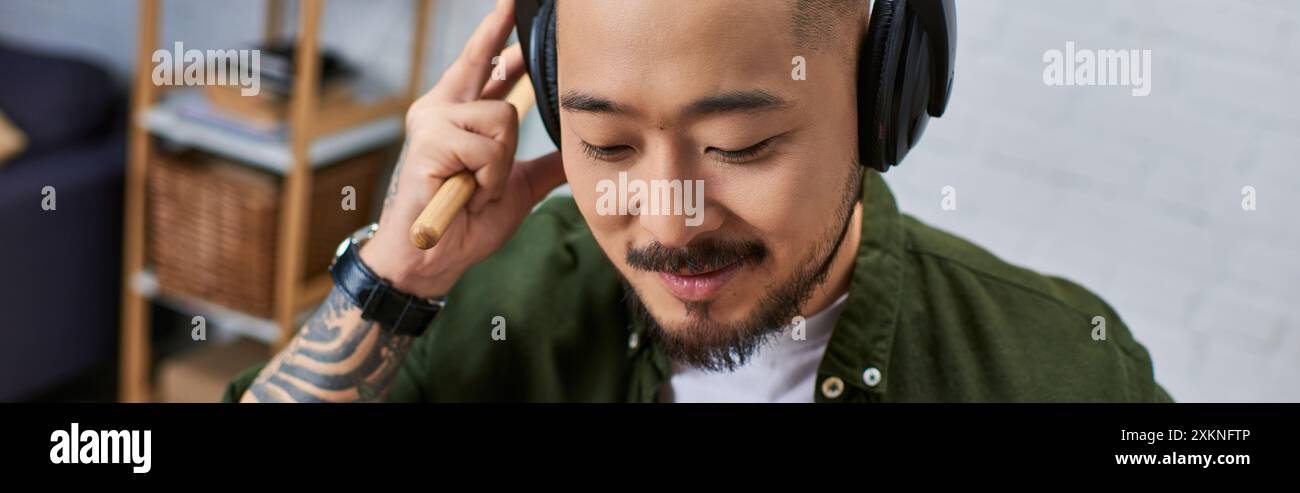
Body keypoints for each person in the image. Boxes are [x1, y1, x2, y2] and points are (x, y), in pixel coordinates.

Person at [227, 0, 1171, 403]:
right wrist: (395, 275)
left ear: (881, 107)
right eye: (607, 145)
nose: (669, 220)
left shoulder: (1058, 366)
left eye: (741, 146)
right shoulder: (489, 299)